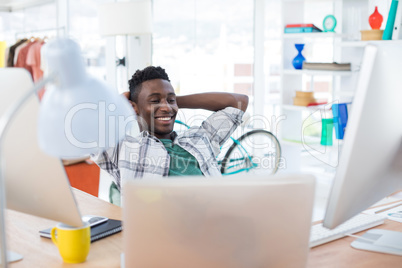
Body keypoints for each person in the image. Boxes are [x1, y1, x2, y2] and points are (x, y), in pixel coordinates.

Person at [92, 66, 248, 204]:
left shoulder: (199, 139)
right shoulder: (123, 149)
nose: (166, 108)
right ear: (134, 107)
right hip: (160, 232)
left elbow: (239, 102)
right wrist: (120, 104)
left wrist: (172, 100)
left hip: (216, 225)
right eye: (154, 101)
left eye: (171, 100)